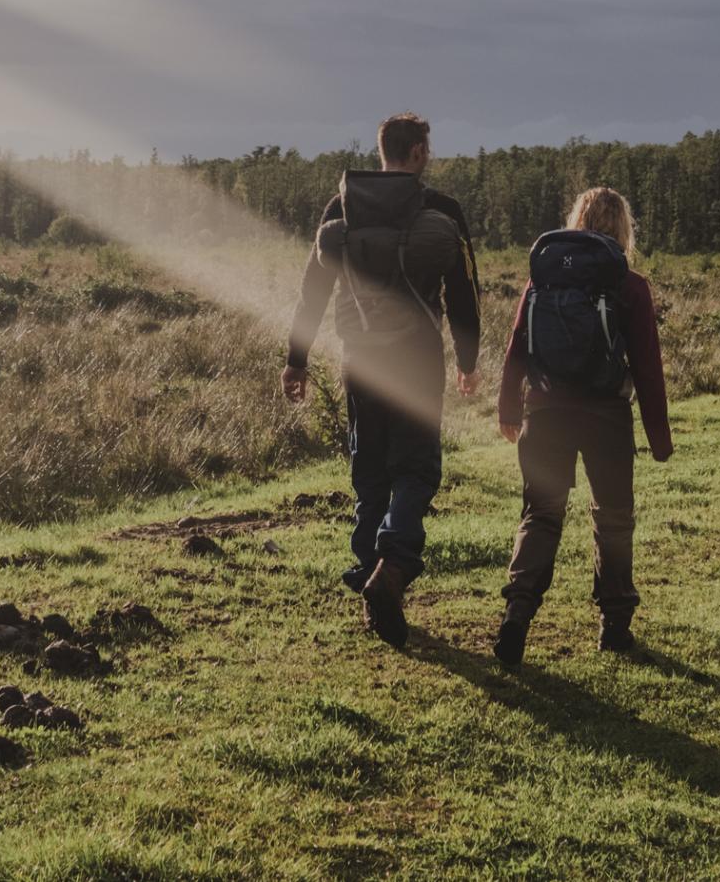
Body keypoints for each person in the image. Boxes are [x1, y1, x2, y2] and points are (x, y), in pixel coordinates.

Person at [283, 113, 482, 646]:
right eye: (427, 150)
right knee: (416, 469)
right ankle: (391, 568)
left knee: (369, 472)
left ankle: (372, 583)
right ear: (417, 153)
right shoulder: (441, 210)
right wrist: (467, 358)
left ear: (381, 152)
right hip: (417, 357)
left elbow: (312, 293)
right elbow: (464, 292)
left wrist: (296, 360)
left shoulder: (339, 209)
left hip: (360, 359)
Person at [492, 186, 671, 666]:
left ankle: (516, 615)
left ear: (575, 221)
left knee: (541, 515)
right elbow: (648, 368)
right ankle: (614, 627)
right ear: (624, 229)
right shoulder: (630, 285)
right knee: (612, 517)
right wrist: (659, 437)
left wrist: (509, 409)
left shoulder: (542, 281)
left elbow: (517, 348)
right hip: (607, 417)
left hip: (545, 413)